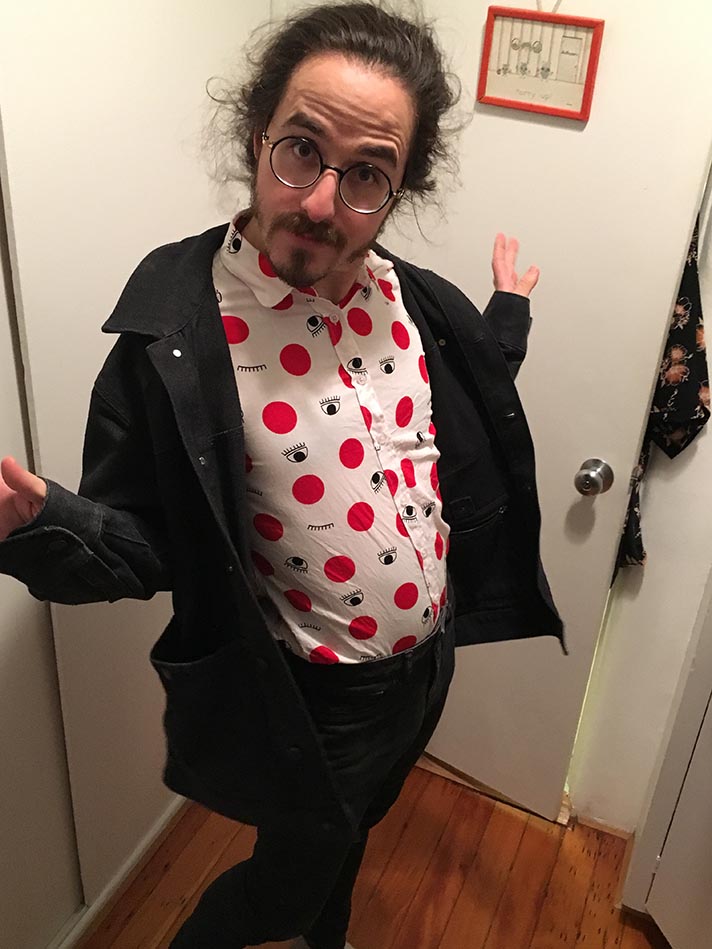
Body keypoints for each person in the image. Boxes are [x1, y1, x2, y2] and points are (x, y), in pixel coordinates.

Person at [0, 3, 565, 947]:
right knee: (281, 890)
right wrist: (39, 523)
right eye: (301, 150)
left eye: (367, 175)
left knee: (354, 835)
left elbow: (465, 404)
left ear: (398, 190)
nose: (319, 204)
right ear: (257, 135)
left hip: (430, 664)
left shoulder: (414, 302)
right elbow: (151, 544)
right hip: (321, 699)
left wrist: (505, 313)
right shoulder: (178, 332)